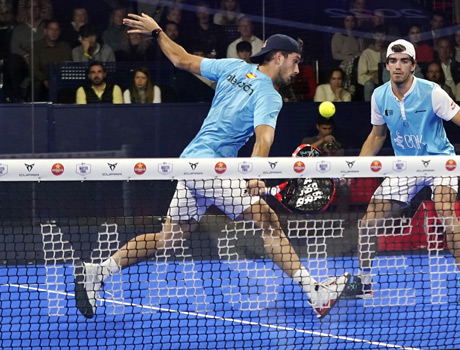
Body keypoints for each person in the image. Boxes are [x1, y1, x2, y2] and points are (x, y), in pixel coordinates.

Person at [72, 13, 350, 320]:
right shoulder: (270, 95)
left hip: (191, 161)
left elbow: (181, 59)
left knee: (170, 237)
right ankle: (316, 292)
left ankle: (97, 271)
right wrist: (255, 174)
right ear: (278, 57)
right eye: (295, 61)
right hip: (212, 167)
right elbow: (264, 137)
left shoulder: (232, 66)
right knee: (266, 218)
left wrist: (157, 33)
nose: (298, 69)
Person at [343, 39, 460, 305]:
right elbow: (377, 135)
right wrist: (356, 167)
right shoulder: (379, 95)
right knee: (368, 223)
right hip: (404, 166)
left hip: (440, 162)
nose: (397, 66)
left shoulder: (432, 92)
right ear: (387, 65)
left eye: (404, 61)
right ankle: (365, 282)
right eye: (393, 61)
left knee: (445, 211)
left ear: (413, 65)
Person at [32, 19, 72, 101]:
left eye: (56, 30)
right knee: (36, 86)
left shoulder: (65, 47)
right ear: (45, 31)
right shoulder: (36, 46)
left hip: (60, 79)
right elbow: (33, 68)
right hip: (41, 79)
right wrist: (45, 80)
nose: (54, 32)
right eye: (51, 29)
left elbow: (67, 66)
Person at [357, 25, 386, 101]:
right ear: (373, 36)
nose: (380, 39)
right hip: (372, 81)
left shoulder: (389, 52)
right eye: (377, 36)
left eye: (382, 36)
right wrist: (373, 78)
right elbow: (360, 76)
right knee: (369, 85)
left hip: (387, 79)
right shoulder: (366, 53)